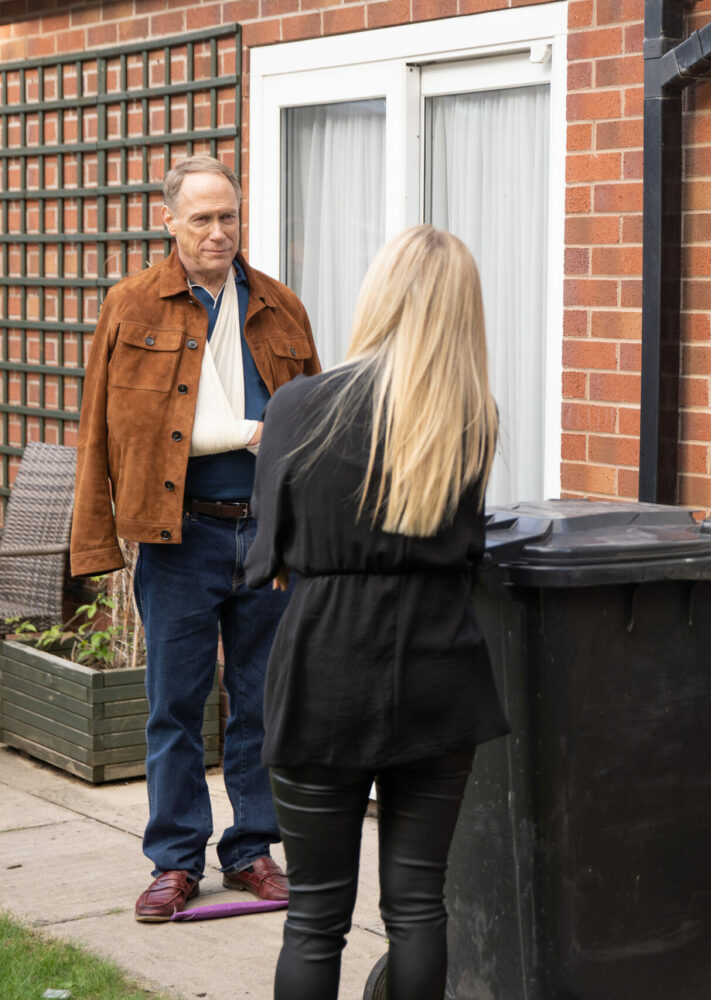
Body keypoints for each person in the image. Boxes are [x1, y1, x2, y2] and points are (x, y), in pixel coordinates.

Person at [246, 225, 509, 999]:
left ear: (379, 296)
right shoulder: (471, 417)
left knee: (315, 917)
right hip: (440, 670)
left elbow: (269, 553)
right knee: (420, 904)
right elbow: (467, 547)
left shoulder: (299, 405)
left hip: (325, 666)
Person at [71, 155, 320, 921]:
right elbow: (97, 430)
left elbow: (314, 422)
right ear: (169, 220)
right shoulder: (133, 305)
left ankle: (250, 850)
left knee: (261, 703)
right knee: (173, 707)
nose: (218, 232)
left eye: (229, 216)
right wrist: (95, 540)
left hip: (266, 533)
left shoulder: (278, 306)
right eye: (203, 218)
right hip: (179, 536)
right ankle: (175, 861)